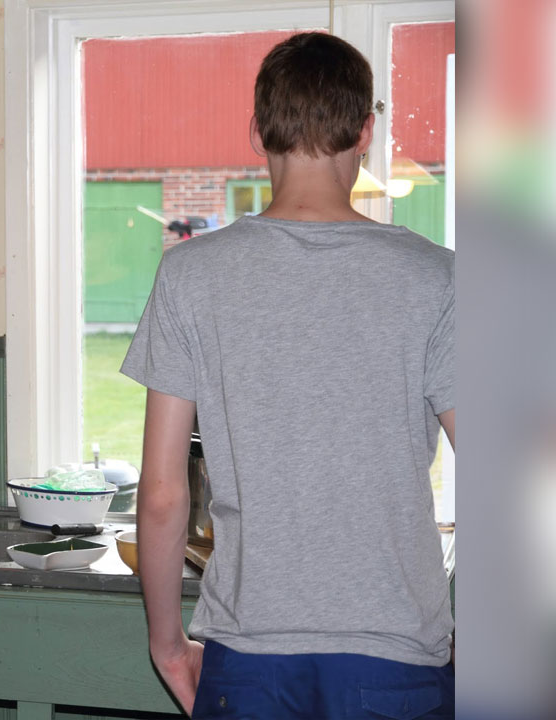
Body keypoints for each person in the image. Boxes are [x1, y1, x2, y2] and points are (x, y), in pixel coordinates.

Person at [121, 32, 455, 718]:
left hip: (248, 659)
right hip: (398, 656)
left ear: (257, 132)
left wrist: (167, 646)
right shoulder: (438, 278)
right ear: (365, 133)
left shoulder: (190, 276)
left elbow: (161, 496)